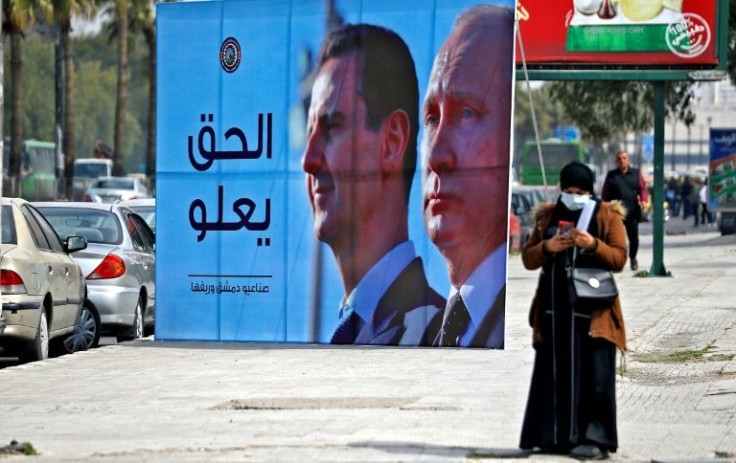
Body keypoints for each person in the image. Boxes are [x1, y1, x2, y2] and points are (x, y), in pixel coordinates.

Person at [302, 24, 444, 346]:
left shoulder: (436, 331)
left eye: (331, 128)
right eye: (309, 133)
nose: (308, 160)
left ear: (392, 141)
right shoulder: (356, 327)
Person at [420, 5, 514, 349]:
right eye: (431, 118)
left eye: (468, 112)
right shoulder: (429, 326)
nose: (436, 155)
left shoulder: (530, 318)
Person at [519, 161, 627, 460]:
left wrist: (593, 244)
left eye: (580, 191)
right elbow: (528, 259)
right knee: (553, 373)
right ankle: (552, 436)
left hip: (593, 315)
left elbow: (619, 258)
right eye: (568, 190)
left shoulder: (606, 215)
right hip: (554, 314)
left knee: (594, 376)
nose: (574, 196)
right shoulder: (548, 216)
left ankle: (594, 439)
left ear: (590, 191)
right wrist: (548, 247)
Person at [601, 151, 648, 271]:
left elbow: (642, 189)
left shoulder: (636, 174)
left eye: (624, 158)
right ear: (616, 161)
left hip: (632, 212)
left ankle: (633, 258)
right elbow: (605, 193)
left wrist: (643, 200)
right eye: (619, 158)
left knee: (634, 239)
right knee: (613, 237)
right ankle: (614, 260)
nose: (622, 160)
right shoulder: (611, 175)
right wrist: (604, 205)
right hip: (615, 213)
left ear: (628, 159)